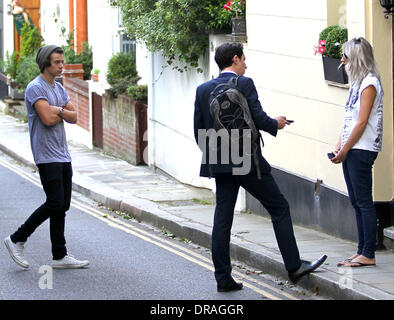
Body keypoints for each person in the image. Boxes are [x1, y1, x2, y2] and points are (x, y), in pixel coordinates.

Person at [194, 42, 327, 292]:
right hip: (247, 161)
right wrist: (277, 123)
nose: (246, 63)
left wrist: (216, 156)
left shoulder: (202, 89)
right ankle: (294, 266)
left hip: (220, 162)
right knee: (279, 207)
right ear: (235, 59)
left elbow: (198, 130)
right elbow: (259, 118)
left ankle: (223, 278)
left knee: (222, 218)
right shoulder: (244, 84)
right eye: (244, 59)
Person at [4, 45, 89, 269]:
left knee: (62, 206)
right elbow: (48, 119)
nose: (61, 66)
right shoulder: (35, 88)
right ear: (45, 63)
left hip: (62, 154)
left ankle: (60, 255)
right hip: (46, 155)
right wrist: (59, 111)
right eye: (57, 62)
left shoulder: (58, 88)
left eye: (62, 61)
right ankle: (16, 239)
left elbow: (74, 117)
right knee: (55, 202)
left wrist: (57, 109)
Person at [331, 37, 383, 268]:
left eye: (346, 57)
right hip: (353, 148)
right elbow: (350, 119)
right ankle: (362, 250)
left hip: (362, 149)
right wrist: (338, 144)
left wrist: (346, 148)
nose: (342, 61)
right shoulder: (357, 84)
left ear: (357, 59)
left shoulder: (369, 84)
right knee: (356, 201)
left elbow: (362, 123)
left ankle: (368, 253)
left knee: (363, 202)